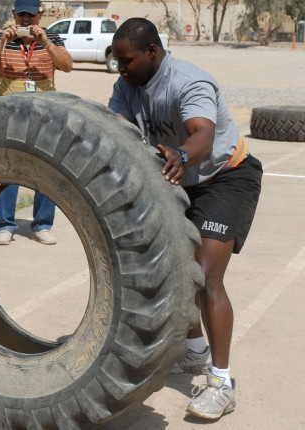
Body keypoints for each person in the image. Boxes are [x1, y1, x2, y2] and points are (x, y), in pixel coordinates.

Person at [108, 18, 262, 420]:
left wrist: (181, 153)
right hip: (176, 179)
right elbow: (118, 129)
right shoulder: (126, 86)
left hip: (224, 177)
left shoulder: (189, 81)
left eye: (126, 61)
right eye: (117, 62)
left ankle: (222, 383)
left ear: (152, 53)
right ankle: (195, 352)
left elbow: (203, 134)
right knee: (173, 272)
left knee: (206, 276)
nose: (120, 69)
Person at [0, 0, 73, 246]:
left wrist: (46, 43)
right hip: (7, 112)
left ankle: (42, 225)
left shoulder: (52, 38)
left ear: (40, 15)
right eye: (21, 15)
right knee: (7, 168)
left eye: (31, 15)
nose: (26, 21)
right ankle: (5, 225)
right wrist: (1, 42)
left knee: (46, 169)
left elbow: (67, 66)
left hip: (46, 113)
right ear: (13, 15)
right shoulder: (1, 38)